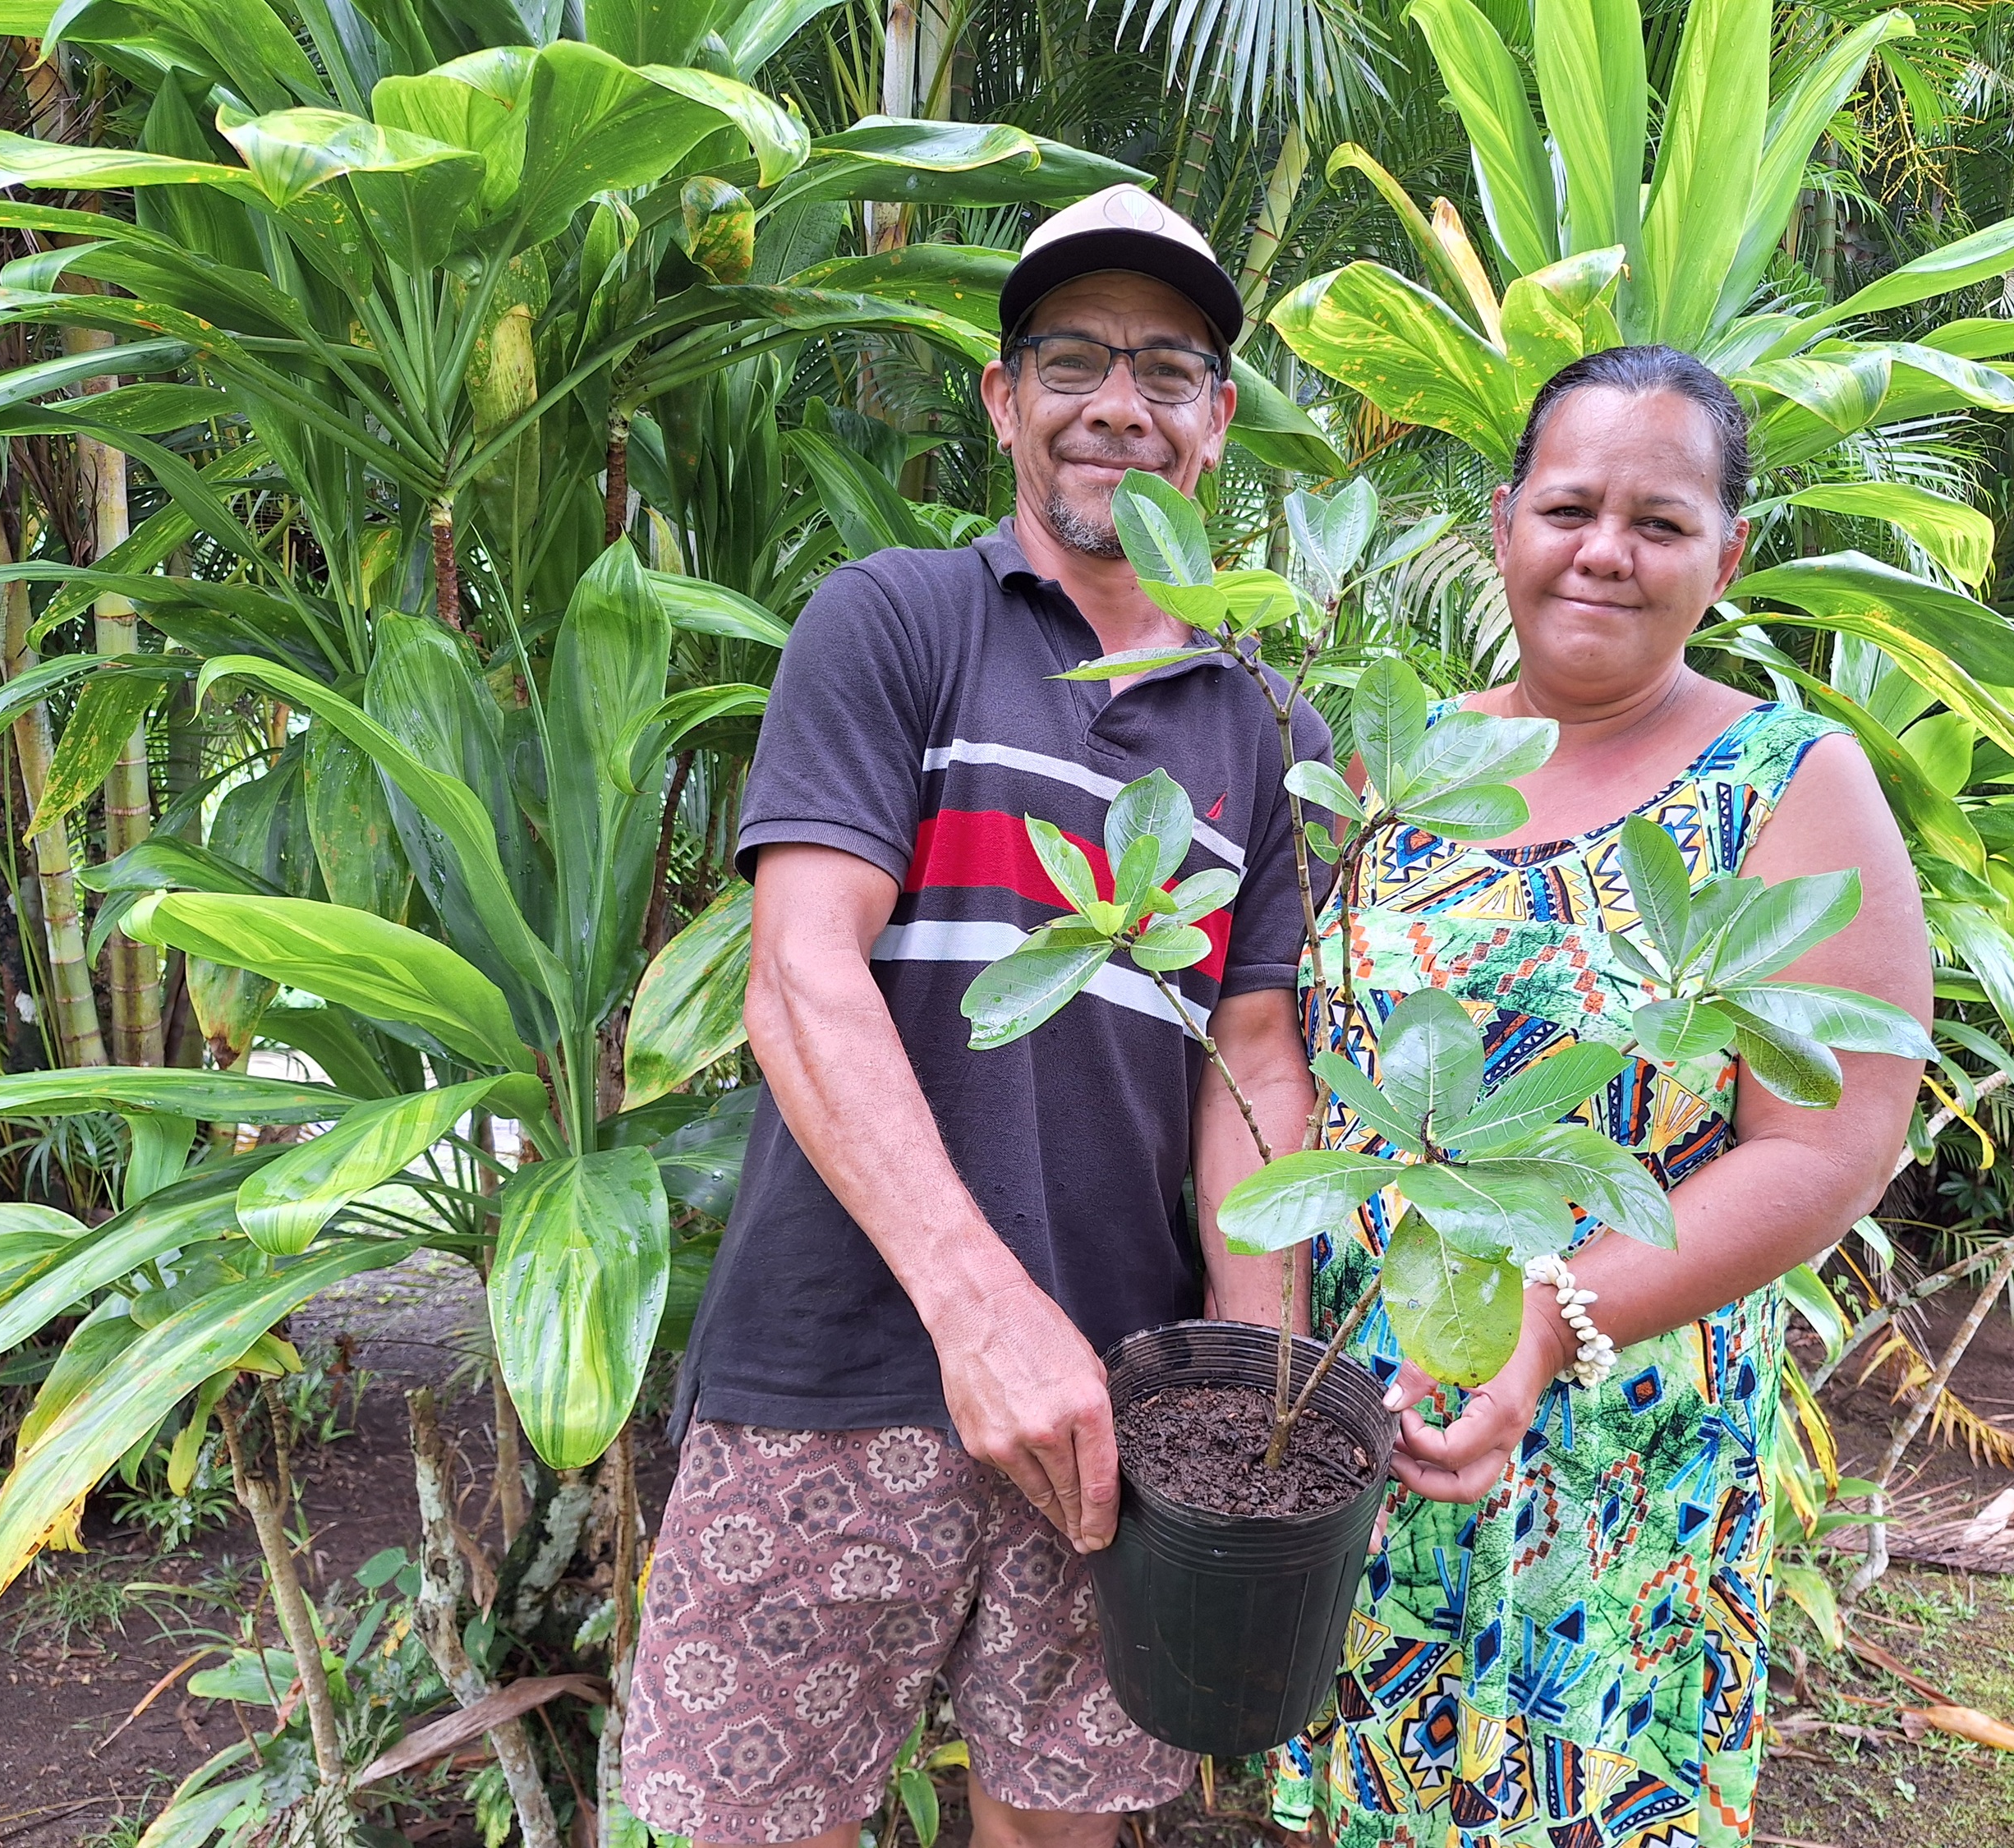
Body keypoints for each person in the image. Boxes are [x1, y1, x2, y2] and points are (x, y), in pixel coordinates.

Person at [628, 186, 1327, 1847]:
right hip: (835, 1367)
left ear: (1216, 427)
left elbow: (1257, 1068)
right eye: (1072, 360)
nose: (1118, 405)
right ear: (1005, 399)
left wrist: (1258, 1397)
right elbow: (800, 980)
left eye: (1168, 370)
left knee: (1058, 1823)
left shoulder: (1261, 723)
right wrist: (982, 1315)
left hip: (1121, 1407)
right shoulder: (898, 623)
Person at [1270, 347, 1932, 1848]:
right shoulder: (1406, 763)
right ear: (1503, 522)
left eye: (1661, 520)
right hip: (1376, 1424)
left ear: (1727, 551)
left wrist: (1548, 1327)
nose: (1605, 551)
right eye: (1569, 506)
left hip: (1618, 1458)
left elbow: (1833, 1140)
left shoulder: (1791, 782)